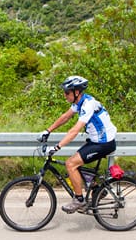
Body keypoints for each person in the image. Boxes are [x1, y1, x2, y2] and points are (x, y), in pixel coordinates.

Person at [38, 75, 118, 213]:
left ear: (77, 92)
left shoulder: (88, 104)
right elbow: (65, 116)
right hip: (96, 141)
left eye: (67, 92)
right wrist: (48, 130)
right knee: (74, 164)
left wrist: (56, 147)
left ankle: (79, 200)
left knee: (71, 164)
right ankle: (96, 189)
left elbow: (75, 130)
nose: (65, 95)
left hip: (104, 143)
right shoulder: (79, 102)